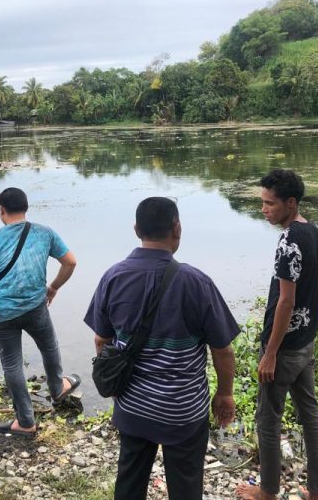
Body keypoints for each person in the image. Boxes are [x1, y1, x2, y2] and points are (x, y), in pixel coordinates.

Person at [84, 196, 239, 500]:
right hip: (183, 412)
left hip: (133, 406)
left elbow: (101, 340)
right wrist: (225, 393)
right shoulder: (196, 282)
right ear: (177, 228)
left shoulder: (113, 277)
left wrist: (116, 386)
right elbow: (223, 350)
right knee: (186, 486)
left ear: (136, 229)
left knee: (129, 482)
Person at [237, 169, 318, 500]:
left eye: (270, 203)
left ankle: (267, 491)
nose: (264, 209)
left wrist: (270, 353)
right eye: (262, 202)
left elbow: (286, 301)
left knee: (268, 419)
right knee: (310, 416)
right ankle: (316, 491)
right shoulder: (313, 232)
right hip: (306, 342)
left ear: (291, 203)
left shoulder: (288, 241)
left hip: (285, 347)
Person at [0, 187, 78, 437]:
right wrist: (53, 287)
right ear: (26, 207)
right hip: (35, 306)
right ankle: (58, 388)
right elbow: (70, 262)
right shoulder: (45, 233)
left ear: (1, 210)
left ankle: (26, 422)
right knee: (49, 346)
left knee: (12, 364)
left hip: (2, 313)